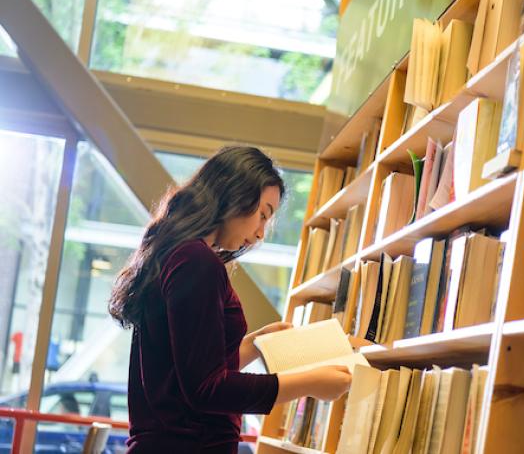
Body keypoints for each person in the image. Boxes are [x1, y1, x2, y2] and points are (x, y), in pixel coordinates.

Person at [108, 146, 352, 453]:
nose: (261, 233)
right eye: (262, 215)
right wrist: (310, 383)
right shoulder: (196, 260)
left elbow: (184, 370)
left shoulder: (179, 255)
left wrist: (254, 345)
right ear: (235, 193)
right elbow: (205, 389)